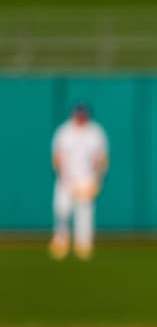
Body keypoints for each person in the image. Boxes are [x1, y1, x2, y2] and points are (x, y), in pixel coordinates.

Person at [49, 101, 109, 261]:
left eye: (83, 114)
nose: (80, 117)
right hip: (66, 179)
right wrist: (63, 176)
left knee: (85, 214)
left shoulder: (95, 132)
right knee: (62, 210)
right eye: (78, 114)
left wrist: (97, 179)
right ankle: (61, 241)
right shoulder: (64, 131)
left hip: (86, 179)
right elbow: (57, 156)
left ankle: (84, 245)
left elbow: (101, 158)